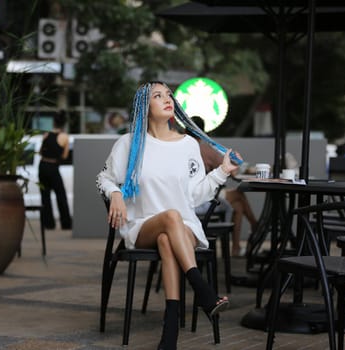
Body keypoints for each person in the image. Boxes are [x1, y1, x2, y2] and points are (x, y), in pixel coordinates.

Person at [96, 82, 242, 350]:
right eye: (158, 95)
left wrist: (222, 171)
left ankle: (171, 328)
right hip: (142, 226)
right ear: (144, 106)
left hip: (182, 228)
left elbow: (196, 195)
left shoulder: (187, 144)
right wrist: (115, 193)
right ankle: (202, 289)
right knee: (170, 219)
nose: (167, 99)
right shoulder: (129, 143)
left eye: (169, 95)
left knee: (168, 236)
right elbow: (104, 178)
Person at [190, 116, 258, 257]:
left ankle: (237, 247)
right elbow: (233, 172)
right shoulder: (205, 149)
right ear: (202, 132)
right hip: (202, 198)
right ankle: (255, 226)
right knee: (238, 196)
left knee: (238, 206)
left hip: (188, 199)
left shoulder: (180, 147)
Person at [38, 110, 72, 230]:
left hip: (42, 166)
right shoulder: (64, 137)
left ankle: (48, 223)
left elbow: (41, 151)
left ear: (54, 122)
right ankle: (66, 223)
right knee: (60, 194)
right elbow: (64, 156)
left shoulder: (46, 135)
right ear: (64, 123)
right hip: (53, 166)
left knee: (45, 195)